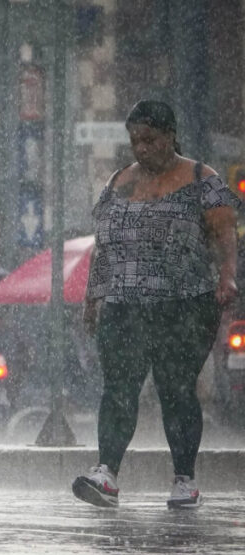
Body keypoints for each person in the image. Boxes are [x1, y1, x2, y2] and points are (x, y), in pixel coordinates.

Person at [73, 100, 239, 509]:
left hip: (184, 304)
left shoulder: (203, 178)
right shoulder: (117, 183)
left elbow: (224, 234)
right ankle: (106, 474)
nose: (141, 148)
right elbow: (103, 248)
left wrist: (227, 275)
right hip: (124, 303)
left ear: (169, 136)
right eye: (135, 140)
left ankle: (184, 479)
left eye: (149, 139)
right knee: (118, 390)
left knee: (177, 388)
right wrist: (94, 297)